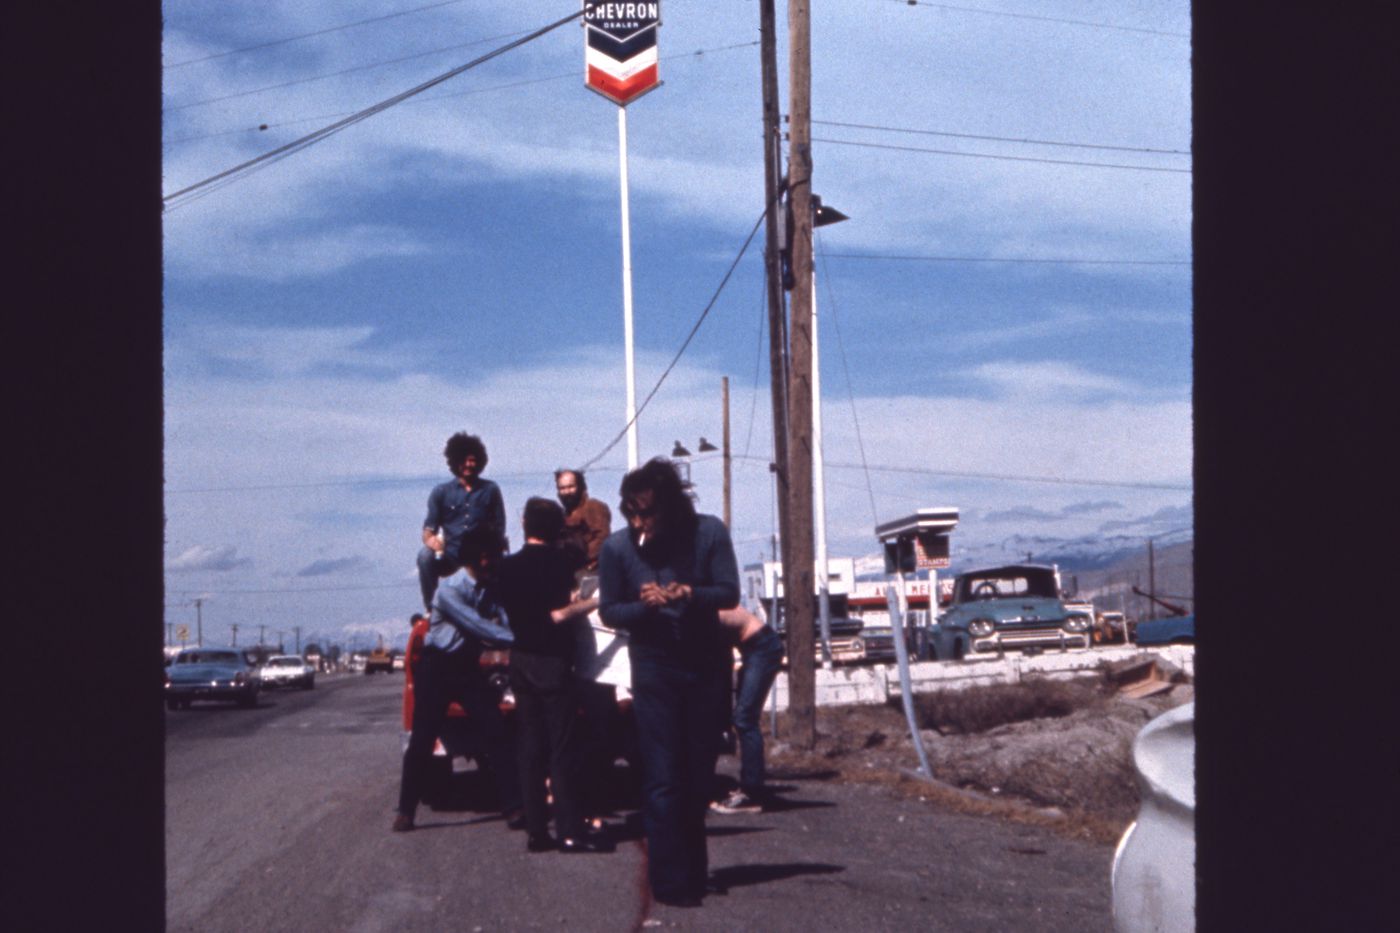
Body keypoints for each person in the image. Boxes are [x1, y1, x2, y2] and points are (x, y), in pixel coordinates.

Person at [598, 457, 739, 908]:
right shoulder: (618, 549)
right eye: (630, 512)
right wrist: (647, 608)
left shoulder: (709, 532)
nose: (638, 522)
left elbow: (729, 591)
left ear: (670, 507)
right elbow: (609, 611)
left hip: (704, 667)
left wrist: (687, 594)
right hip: (654, 668)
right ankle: (669, 881)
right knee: (662, 777)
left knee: (697, 776)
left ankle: (693, 872)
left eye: (646, 512)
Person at [495, 498, 611, 854]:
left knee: (530, 747)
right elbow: (560, 610)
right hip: (554, 662)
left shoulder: (506, 567)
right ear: (555, 527)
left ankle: (536, 831)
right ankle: (570, 830)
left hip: (521, 659)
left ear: (524, 522)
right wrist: (590, 602)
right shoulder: (562, 562)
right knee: (562, 748)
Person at [394, 531, 521, 833]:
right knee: (422, 740)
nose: (497, 562)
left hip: (466, 670)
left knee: (496, 732)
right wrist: (525, 639)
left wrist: (514, 627)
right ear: (480, 558)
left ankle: (515, 807)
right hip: (437, 669)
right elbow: (481, 627)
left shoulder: (489, 586)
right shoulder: (448, 590)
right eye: (493, 557)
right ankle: (405, 811)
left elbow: (502, 619)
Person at [417, 433, 507, 612]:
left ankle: (495, 608)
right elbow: (428, 529)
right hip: (451, 556)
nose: (468, 465)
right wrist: (431, 541)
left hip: (481, 556)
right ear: (454, 461)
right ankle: (432, 608)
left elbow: (499, 527)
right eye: (463, 460)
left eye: (473, 460)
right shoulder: (440, 492)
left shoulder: (491, 489)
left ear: (480, 462)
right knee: (424, 556)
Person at [710, 607, 784, 814]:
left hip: (763, 648)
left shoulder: (703, 609)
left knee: (745, 719)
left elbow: (722, 661)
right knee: (740, 718)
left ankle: (752, 792)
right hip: (751, 648)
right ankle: (750, 787)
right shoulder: (701, 602)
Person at [555, 469, 612, 578]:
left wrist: (580, 558)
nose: (567, 492)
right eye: (562, 488)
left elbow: (602, 538)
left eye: (571, 487)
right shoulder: (563, 515)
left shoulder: (593, 506)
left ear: (580, 487)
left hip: (591, 572)